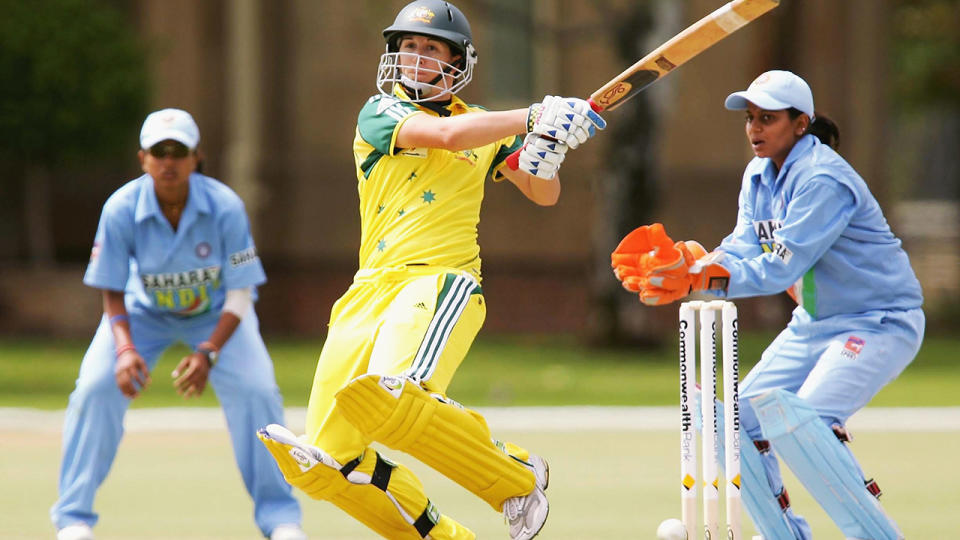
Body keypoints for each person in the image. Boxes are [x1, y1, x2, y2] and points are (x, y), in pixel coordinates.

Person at [255, 2, 605, 539]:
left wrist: (545, 153)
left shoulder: (483, 124)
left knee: (397, 397)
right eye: (407, 47)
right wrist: (532, 118)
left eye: (430, 49)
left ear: (457, 61)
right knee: (325, 460)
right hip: (368, 290)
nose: (414, 58)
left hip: (439, 283)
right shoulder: (381, 113)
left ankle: (512, 477)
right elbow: (444, 137)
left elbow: (543, 194)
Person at [611, 70, 924, 539]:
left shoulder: (823, 179)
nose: (755, 128)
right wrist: (688, 263)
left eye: (769, 118)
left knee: (804, 420)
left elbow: (779, 266)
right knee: (732, 423)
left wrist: (701, 277)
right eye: (751, 118)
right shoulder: (759, 173)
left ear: (801, 124)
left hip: (879, 322)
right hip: (814, 323)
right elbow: (742, 247)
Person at [51, 109, 307, 540]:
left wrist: (208, 351)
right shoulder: (121, 208)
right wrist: (126, 350)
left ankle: (280, 518)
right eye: (158, 151)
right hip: (141, 313)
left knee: (258, 390)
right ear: (143, 159)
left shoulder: (225, 206)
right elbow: (111, 287)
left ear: (196, 157)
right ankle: (73, 518)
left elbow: (241, 292)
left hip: (218, 314)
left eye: (179, 151)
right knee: (94, 388)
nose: (168, 161)